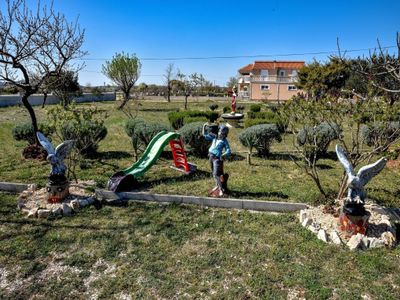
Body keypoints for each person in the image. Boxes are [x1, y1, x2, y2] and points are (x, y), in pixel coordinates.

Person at [202, 123, 231, 197]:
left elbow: (228, 150)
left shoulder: (224, 141)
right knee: (214, 173)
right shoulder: (214, 137)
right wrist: (204, 126)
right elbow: (205, 135)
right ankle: (217, 186)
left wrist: (223, 155)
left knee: (217, 174)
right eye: (220, 131)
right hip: (210, 156)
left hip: (217, 158)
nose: (221, 133)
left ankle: (221, 189)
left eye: (223, 132)